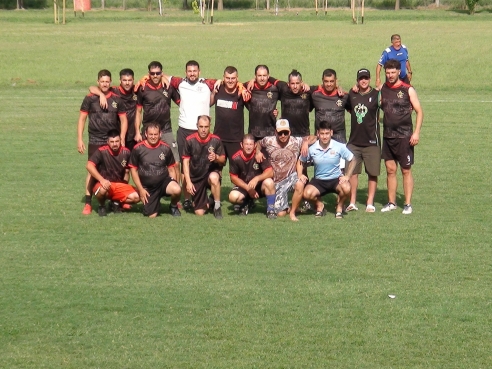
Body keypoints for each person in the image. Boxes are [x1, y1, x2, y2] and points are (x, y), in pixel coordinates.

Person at [77, 69, 128, 215]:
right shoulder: (90, 98)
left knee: (118, 170)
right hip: (95, 140)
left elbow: (124, 120)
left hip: (112, 141)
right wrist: (79, 139)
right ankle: (88, 203)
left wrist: (122, 137)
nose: (105, 84)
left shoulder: (117, 99)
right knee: (92, 171)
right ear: (98, 82)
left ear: (110, 82)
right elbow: (82, 119)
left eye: (107, 81)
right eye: (102, 81)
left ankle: (117, 200)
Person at [168, 60, 217, 210]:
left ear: (199, 72)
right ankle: (187, 198)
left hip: (202, 131)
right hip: (184, 130)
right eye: (189, 71)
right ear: (185, 72)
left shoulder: (207, 84)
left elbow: (222, 81)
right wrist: (144, 78)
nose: (192, 73)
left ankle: (205, 194)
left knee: (205, 163)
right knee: (185, 165)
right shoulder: (180, 83)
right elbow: (164, 77)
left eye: (195, 71)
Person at [379, 59, 423, 215]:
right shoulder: (383, 88)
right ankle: (391, 202)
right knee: (390, 170)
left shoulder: (408, 89)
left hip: (405, 136)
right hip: (388, 136)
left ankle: (408, 204)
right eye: (388, 73)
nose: (390, 75)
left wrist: (416, 133)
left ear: (399, 72)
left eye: (393, 72)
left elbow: (419, 111)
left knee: (406, 170)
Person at [256, 119, 316, 222]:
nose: (283, 135)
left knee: (300, 183)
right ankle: (287, 208)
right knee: (280, 214)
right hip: (276, 182)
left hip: (291, 177)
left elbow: (315, 137)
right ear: (275, 132)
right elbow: (258, 143)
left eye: (285, 132)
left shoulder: (296, 141)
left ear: (290, 132)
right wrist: (257, 152)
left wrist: (305, 142)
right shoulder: (269, 141)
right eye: (280, 133)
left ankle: (293, 211)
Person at [301, 121, 356, 219]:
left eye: (327, 133)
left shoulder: (339, 146)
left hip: (335, 180)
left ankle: (339, 207)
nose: (324, 136)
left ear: (331, 133)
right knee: (306, 194)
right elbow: (301, 161)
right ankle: (320, 205)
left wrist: (347, 176)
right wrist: (300, 174)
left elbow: (353, 159)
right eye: (322, 134)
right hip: (319, 180)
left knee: (347, 188)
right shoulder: (312, 148)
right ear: (318, 134)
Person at [345, 68, 381, 213]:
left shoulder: (377, 94)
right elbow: (348, 108)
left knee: (372, 173)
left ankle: (370, 202)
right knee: (352, 172)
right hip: (354, 142)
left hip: (372, 142)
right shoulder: (352, 94)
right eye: (361, 78)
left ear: (370, 79)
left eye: (366, 78)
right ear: (357, 81)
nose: (363, 81)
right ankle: (352, 202)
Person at [128, 123, 182, 218]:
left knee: (177, 189)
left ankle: (173, 206)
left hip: (163, 183)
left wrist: (173, 181)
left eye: (155, 134)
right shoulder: (138, 149)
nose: (153, 137)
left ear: (160, 134)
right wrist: (141, 189)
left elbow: (171, 168)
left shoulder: (165, 148)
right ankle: (155, 202)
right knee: (151, 215)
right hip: (148, 188)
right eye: (151, 134)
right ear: (146, 134)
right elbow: (133, 170)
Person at [134, 61, 180, 165]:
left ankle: (175, 182)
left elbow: (181, 103)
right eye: (152, 73)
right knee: (145, 163)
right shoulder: (143, 88)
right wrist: (137, 132)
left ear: (162, 73)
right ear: (148, 74)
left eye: (158, 73)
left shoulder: (168, 87)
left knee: (175, 163)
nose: (155, 76)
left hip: (166, 130)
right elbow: (138, 112)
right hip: (148, 130)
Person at [86, 130, 140, 216]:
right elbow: (89, 166)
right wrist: (102, 180)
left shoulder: (126, 153)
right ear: (107, 142)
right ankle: (102, 206)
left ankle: (115, 202)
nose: (114, 144)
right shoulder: (101, 151)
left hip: (118, 186)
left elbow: (130, 170)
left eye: (117, 141)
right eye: (112, 142)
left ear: (120, 140)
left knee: (137, 196)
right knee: (102, 190)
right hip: (102, 184)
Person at [182, 115, 226, 219]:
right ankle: (209, 201)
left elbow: (223, 161)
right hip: (196, 177)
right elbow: (185, 162)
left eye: (206, 127)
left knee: (214, 177)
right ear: (197, 126)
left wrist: (216, 157)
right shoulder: (189, 140)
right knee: (199, 212)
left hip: (210, 175)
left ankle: (217, 206)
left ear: (210, 126)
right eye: (201, 126)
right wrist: (188, 182)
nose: (203, 130)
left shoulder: (216, 140)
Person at [89, 68, 138, 151]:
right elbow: (91, 88)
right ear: (120, 81)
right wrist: (101, 94)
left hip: (132, 136)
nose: (127, 83)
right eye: (124, 80)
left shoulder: (137, 90)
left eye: (129, 80)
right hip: (116, 137)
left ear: (133, 80)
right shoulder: (114, 90)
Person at [229, 134, 276, 217]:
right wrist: (248, 188)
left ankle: (271, 210)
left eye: (251, 144)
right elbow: (233, 178)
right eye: (246, 144)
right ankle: (247, 202)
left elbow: (270, 172)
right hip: (244, 187)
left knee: (269, 182)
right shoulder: (235, 158)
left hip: (259, 187)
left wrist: (257, 178)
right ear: (241, 145)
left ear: (255, 145)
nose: (248, 147)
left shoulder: (259, 156)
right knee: (233, 197)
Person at [212, 66, 249, 163]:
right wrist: (213, 92)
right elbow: (208, 103)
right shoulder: (218, 88)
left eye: (233, 78)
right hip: (218, 138)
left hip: (236, 140)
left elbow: (253, 109)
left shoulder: (241, 92)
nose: (230, 81)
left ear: (237, 78)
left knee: (236, 172)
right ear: (223, 77)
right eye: (228, 78)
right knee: (215, 173)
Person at [310, 68, 349, 144]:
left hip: (339, 139)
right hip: (321, 138)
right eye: (326, 81)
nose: (329, 84)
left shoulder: (344, 96)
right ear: (322, 81)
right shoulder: (315, 95)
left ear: (336, 81)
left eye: (331, 81)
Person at [245, 65, 279, 141]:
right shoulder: (249, 87)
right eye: (259, 76)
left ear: (268, 76)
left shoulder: (275, 89)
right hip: (253, 133)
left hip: (270, 134)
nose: (262, 78)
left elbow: (288, 94)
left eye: (264, 75)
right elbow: (237, 86)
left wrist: (278, 112)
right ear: (255, 76)